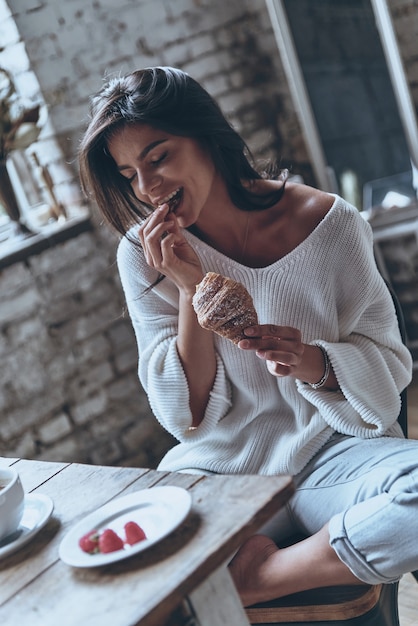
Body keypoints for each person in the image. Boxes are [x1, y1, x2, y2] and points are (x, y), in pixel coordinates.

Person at [79, 66, 418, 607]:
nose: (147, 189)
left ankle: (264, 576)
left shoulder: (331, 223)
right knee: (124, 570)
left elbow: (390, 365)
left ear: (208, 138)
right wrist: (189, 285)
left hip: (330, 455)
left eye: (158, 157)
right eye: (129, 174)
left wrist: (314, 362)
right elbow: (183, 415)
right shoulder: (142, 256)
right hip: (217, 471)